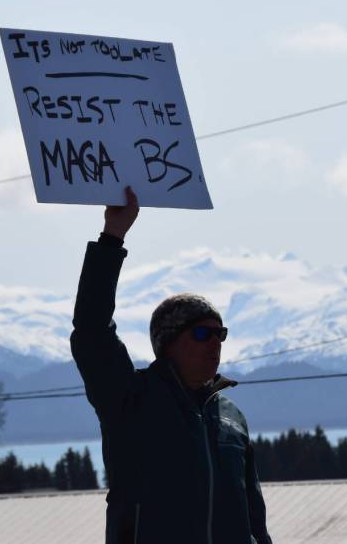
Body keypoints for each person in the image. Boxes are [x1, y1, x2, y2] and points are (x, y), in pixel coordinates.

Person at [71, 186, 273, 544]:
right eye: (201, 333)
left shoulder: (231, 418)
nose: (215, 342)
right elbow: (91, 332)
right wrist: (112, 236)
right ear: (168, 342)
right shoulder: (131, 401)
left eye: (220, 334)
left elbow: (255, 519)